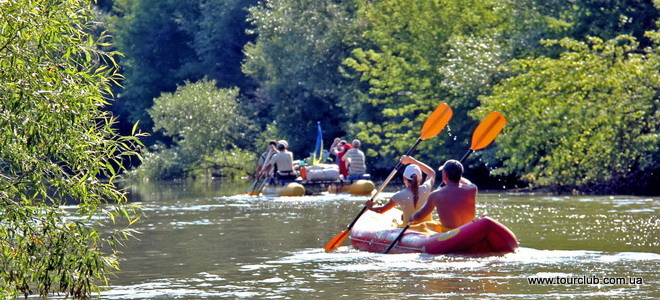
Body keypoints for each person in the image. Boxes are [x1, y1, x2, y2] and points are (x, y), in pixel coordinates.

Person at [409, 159, 477, 231]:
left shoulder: (435, 195)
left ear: (445, 175)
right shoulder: (472, 189)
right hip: (468, 229)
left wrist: (412, 217)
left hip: (449, 233)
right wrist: (457, 175)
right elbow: (467, 183)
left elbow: (419, 216)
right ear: (460, 175)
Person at [364, 156, 435, 223]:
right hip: (427, 227)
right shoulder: (427, 188)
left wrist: (370, 206)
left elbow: (381, 210)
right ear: (420, 179)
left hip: (409, 228)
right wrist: (413, 161)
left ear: (404, 178)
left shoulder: (399, 195)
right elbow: (431, 173)